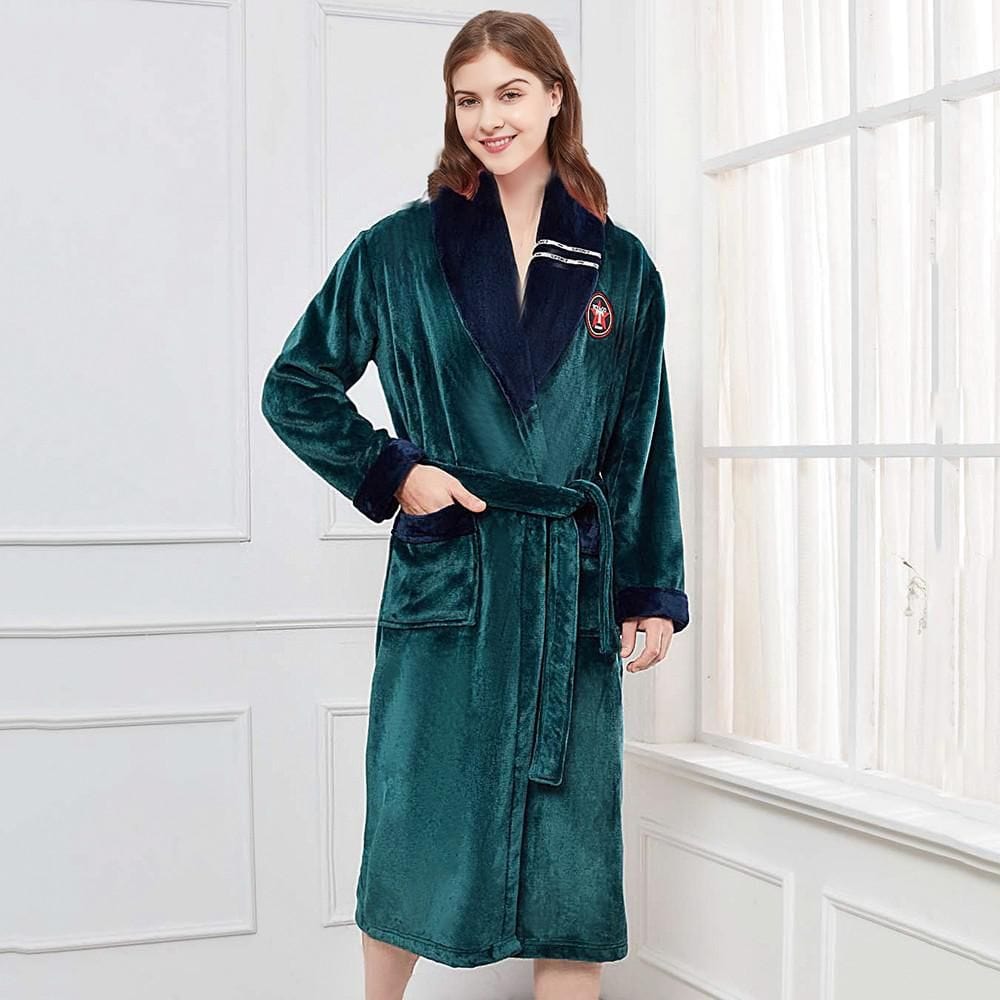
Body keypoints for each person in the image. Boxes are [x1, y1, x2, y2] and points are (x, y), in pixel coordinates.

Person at [260, 10, 689, 1000]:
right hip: (451, 582)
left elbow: (641, 441)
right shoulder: (397, 250)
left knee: (572, 873)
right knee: (412, 833)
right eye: (468, 99)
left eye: (510, 92)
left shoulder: (621, 267)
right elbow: (296, 385)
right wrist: (393, 471)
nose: (489, 118)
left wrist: (648, 590)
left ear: (554, 97)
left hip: (569, 598)